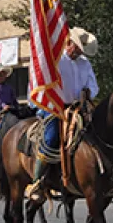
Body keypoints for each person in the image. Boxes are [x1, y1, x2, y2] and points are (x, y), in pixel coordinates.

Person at [26, 27, 99, 201]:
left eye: (82, 50)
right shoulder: (55, 60)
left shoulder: (84, 63)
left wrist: (89, 92)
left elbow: (94, 85)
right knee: (51, 137)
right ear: (70, 43)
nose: (79, 52)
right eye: (78, 48)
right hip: (54, 107)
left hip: (77, 106)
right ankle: (37, 181)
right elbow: (42, 80)